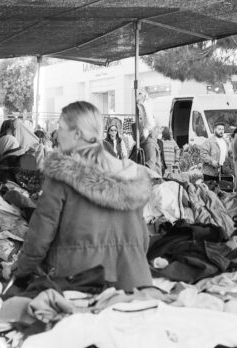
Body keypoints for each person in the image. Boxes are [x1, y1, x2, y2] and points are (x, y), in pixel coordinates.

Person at [8, 101, 153, 290]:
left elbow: (38, 239)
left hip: (80, 284)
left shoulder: (62, 175)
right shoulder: (130, 175)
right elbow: (143, 238)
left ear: (77, 133)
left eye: (61, 128)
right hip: (134, 283)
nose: (57, 135)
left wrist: (17, 270)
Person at [130, 103, 163, 176]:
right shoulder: (138, 145)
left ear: (139, 132)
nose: (132, 135)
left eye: (133, 132)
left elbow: (149, 167)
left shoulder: (149, 145)